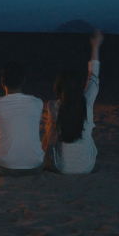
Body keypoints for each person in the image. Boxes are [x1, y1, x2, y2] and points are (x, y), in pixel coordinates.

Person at [43, 31, 104, 174]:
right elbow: (93, 76)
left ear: (58, 87)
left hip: (61, 167)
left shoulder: (53, 106)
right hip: (87, 166)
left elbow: (51, 137)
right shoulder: (86, 102)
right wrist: (95, 47)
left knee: (50, 129)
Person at [0, 61, 44, 177]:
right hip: (36, 167)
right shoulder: (37, 103)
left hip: (5, 169)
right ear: (23, 81)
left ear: (2, 83)